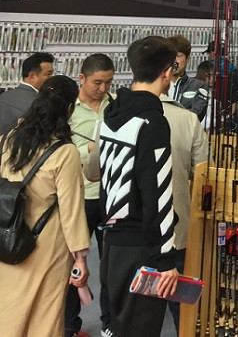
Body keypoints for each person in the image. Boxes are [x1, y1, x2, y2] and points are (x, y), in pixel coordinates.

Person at [85, 36, 179, 337]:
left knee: (120, 327)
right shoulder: (152, 122)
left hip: (112, 245)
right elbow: (158, 192)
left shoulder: (110, 115)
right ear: (167, 72)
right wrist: (165, 259)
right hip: (142, 248)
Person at [0, 75, 91, 337]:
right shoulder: (64, 152)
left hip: (9, 233)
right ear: (69, 109)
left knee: (9, 306)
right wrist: (80, 258)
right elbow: (72, 211)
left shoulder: (10, 138)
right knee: (46, 313)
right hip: (47, 243)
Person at [64, 54, 115, 337]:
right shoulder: (69, 110)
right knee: (72, 265)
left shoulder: (115, 104)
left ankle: (109, 322)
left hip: (110, 196)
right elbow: (61, 150)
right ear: (81, 78)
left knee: (110, 264)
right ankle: (71, 325)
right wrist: (89, 150)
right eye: (97, 82)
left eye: (108, 82)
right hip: (79, 197)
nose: (103, 88)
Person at [159, 87, 210, 332]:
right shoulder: (187, 119)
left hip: (128, 233)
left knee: (132, 305)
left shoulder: (114, 114)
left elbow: (93, 171)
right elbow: (204, 173)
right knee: (178, 299)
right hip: (175, 227)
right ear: (167, 75)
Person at [0, 51, 55, 134]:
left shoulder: (3, 96)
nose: (52, 78)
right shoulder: (41, 103)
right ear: (32, 76)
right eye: (48, 74)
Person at [167, 35, 208, 121]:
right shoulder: (156, 83)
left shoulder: (199, 85)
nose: (173, 60)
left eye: (178, 55)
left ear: (188, 59)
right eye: (169, 55)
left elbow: (196, 115)